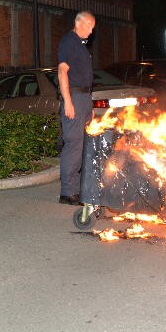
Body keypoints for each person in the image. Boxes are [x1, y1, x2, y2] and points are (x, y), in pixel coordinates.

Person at [56, 11, 96, 205]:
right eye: (89, 25)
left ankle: (77, 188)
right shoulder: (69, 42)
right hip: (75, 97)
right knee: (73, 144)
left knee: (82, 144)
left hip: (84, 98)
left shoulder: (80, 45)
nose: (91, 30)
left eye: (92, 27)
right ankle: (67, 193)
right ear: (78, 23)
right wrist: (68, 101)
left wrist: (90, 104)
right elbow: (62, 72)